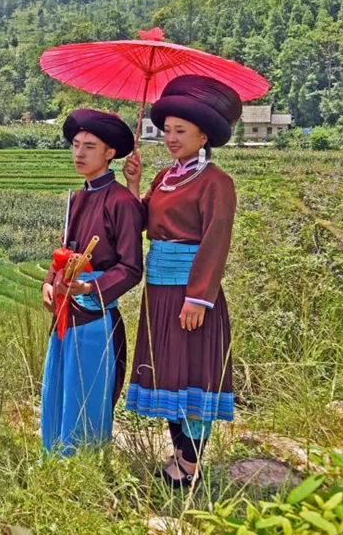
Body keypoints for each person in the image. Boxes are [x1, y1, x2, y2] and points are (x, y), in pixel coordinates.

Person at [122, 74, 241, 488]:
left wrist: (198, 298)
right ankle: (179, 457)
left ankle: (188, 467)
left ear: (203, 135)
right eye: (166, 130)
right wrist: (135, 185)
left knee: (193, 376)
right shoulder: (164, 178)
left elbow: (215, 242)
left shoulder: (216, 182)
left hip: (191, 295)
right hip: (160, 291)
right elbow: (143, 224)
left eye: (180, 131)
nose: (170, 138)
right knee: (170, 374)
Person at [40, 109, 144, 456]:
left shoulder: (122, 202)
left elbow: (131, 267)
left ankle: (83, 463)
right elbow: (64, 252)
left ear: (110, 153)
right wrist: (50, 281)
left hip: (96, 319)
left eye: (90, 146)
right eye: (75, 145)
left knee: (88, 394)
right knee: (60, 387)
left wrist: (88, 289)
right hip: (65, 313)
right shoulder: (76, 198)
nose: (79, 154)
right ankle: (54, 455)